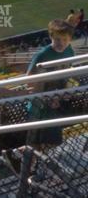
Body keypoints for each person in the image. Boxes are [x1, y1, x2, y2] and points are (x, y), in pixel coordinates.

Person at [25, 19, 76, 147]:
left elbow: (67, 75)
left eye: (65, 40)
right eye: (58, 39)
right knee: (33, 142)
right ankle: (24, 161)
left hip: (55, 103)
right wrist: (47, 97)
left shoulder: (70, 51)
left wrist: (63, 93)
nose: (61, 43)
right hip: (38, 104)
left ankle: (37, 164)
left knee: (52, 142)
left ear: (70, 39)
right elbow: (29, 82)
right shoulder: (42, 55)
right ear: (50, 36)